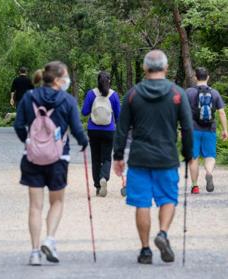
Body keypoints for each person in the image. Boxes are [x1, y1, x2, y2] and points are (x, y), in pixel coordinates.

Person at [113, 50, 193, 265]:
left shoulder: (133, 94)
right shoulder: (177, 94)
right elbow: (187, 127)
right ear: (166, 68)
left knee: (142, 203)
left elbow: (122, 128)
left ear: (145, 68)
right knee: (168, 199)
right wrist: (189, 154)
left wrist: (118, 156)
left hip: (139, 158)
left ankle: (145, 250)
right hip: (167, 157)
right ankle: (163, 234)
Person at [14, 61, 88, 266]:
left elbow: (19, 125)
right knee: (57, 202)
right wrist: (83, 142)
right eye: (64, 77)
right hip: (58, 158)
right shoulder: (67, 100)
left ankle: (35, 252)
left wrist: (29, 142)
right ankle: (50, 239)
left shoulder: (29, 97)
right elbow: (76, 128)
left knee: (35, 206)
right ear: (57, 80)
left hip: (32, 159)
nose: (66, 81)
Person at [186, 67, 228, 194]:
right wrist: (225, 129)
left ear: (195, 77)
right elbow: (221, 112)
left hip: (193, 129)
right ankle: (209, 173)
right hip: (210, 129)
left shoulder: (188, 92)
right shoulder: (214, 93)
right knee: (210, 156)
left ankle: (195, 186)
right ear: (208, 77)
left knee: (193, 158)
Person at [81, 71, 120, 197]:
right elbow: (118, 116)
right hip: (109, 131)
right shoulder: (113, 95)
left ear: (98, 81)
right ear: (110, 81)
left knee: (95, 158)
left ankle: (98, 186)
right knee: (107, 158)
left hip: (93, 130)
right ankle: (104, 177)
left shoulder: (91, 94)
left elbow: (85, 112)